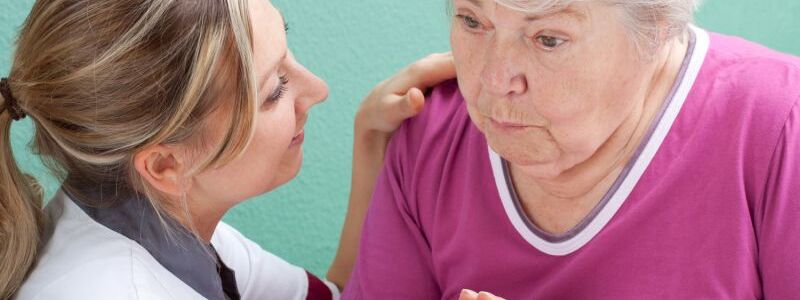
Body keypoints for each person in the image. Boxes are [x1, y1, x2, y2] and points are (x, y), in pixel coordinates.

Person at [344, 0, 800, 299]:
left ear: (658, 25)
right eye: (472, 21)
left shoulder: (779, 124)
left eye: (548, 38)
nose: (495, 81)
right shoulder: (431, 132)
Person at [0, 0, 454, 299]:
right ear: (165, 163)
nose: (317, 90)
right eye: (275, 88)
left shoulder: (162, 223)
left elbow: (336, 295)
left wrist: (371, 139)